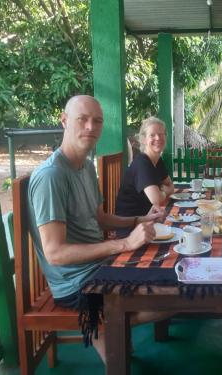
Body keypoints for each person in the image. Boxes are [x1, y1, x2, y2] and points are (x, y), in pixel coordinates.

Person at [27, 95, 168, 362]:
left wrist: (139, 220)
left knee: (168, 275)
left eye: (97, 121)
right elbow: (55, 253)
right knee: (172, 298)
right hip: (77, 285)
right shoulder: (51, 176)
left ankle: (112, 333)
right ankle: (110, 326)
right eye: (83, 119)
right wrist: (125, 244)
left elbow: (101, 219)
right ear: (64, 121)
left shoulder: (85, 168)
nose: (91, 127)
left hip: (100, 266)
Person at [115, 116, 174, 237]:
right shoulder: (142, 163)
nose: (158, 138)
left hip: (147, 221)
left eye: (161, 134)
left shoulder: (157, 160)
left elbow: (171, 186)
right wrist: (163, 191)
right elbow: (157, 199)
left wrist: (162, 190)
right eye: (152, 135)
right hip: (131, 230)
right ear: (143, 139)